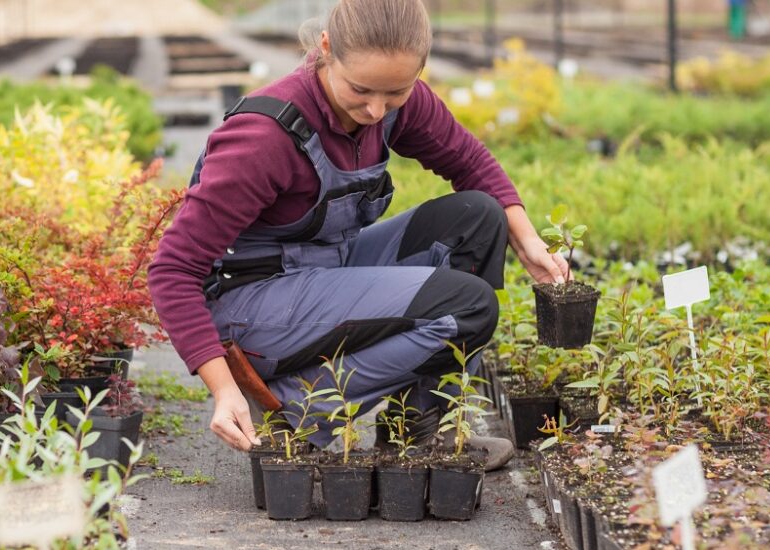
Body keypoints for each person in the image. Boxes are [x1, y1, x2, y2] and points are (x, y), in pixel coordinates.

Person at [147, 0, 567, 471]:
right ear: (326, 49)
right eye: (360, 89)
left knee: (481, 218)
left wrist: (528, 241)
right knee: (467, 306)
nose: (375, 109)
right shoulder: (264, 138)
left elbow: (469, 162)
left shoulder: (390, 100)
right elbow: (172, 270)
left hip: (326, 272)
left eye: (395, 93)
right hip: (253, 306)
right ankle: (296, 412)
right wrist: (224, 390)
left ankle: (416, 430)